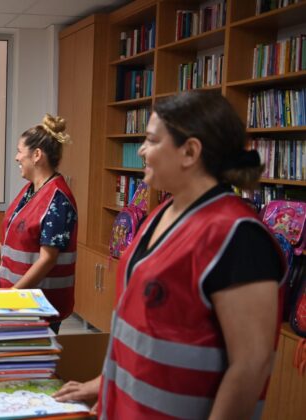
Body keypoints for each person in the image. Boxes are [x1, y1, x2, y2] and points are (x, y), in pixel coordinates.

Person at [53, 91, 285, 419]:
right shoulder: (161, 213)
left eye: (151, 140)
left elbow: (251, 365)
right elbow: (142, 328)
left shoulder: (239, 236)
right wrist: (104, 384)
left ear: (189, 152)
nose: (141, 150)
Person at [0, 114, 78, 328]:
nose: (17, 158)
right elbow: (23, 242)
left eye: (20, 151)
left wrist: (12, 295)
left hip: (37, 305)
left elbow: (47, 259)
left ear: (36, 155)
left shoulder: (57, 199)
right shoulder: (31, 191)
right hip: (19, 301)